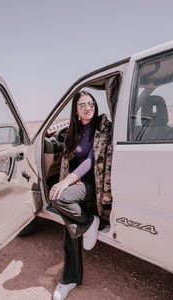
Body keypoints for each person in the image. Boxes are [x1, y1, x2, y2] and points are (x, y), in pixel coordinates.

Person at [49, 90, 112, 300]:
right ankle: (69, 280)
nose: (88, 108)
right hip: (80, 182)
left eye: (91, 104)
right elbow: (72, 160)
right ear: (76, 111)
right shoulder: (73, 131)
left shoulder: (101, 129)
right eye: (83, 105)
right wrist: (70, 177)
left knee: (59, 197)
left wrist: (66, 180)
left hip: (96, 184)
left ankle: (88, 220)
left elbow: (91, 161)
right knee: (66, 217)